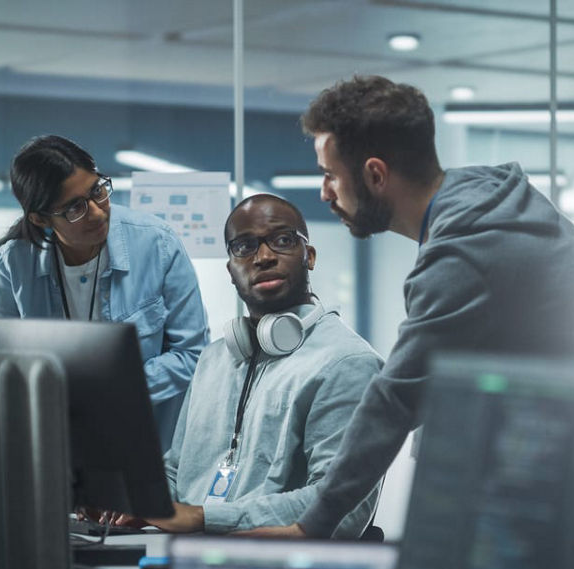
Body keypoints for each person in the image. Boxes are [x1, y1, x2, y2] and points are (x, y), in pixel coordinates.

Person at [247, 75, 574, 539]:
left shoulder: (464, 252)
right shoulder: (482, 199)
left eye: (330, 174)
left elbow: (395, 400)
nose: (325, 192)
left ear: (375, 175)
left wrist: (311, 525)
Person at [123, 194, 384, 538]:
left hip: (269, 564)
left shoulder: (347, 363)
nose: (263, 257)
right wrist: (138, 503)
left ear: (309, 256)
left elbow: (341, 507)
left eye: (282, 241)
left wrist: (203, 517)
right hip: (187, 551)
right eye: (244, 247)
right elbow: (175, 472)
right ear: (231, 270)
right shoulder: (214, 360)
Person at [0, 135, 209, 448]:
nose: (98, 212)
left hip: (150, 443)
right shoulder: (13, 264)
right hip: (57, 446)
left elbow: (192, 354)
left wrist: (108, 390)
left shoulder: (156, 243)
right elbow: (4, 368)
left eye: (97, 191)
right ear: (40, 218)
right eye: (74, 208)